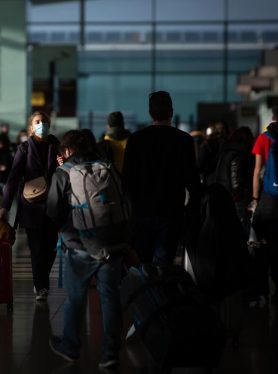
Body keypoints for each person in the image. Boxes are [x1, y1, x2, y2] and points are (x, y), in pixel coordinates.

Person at [46, 130, 123, 368]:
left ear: (68, 150)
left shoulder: (63, 172)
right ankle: (110, 354)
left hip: (79, 245)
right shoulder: (107, 167)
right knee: (110, 297)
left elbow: (52, 210)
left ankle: (71, 346)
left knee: (76, 297)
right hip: (111, 241)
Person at [122, 91, 201, 265]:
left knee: (143, 264)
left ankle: (146, 292)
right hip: (171, 212)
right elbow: (192, 180)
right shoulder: (184, 140)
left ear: (150, 113)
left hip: (142, 211)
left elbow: (126, 179)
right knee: (164, 264)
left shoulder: (136, 140)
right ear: (171, 112)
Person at [0, 110, 60, 302]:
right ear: (31, 127)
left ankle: (42, 281)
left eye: (44, 121)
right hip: (31, 205)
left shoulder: (56, 146)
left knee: (50, 248)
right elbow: (13, 178)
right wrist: (5, 206)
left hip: (53, 203)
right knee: (36, 248)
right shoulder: (24, 148)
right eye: (37, 122)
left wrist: (64, 163)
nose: (41, 124)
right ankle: (40, 285)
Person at [249, 100, 278, 304]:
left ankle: (277, 289)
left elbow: (257, 171)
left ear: (274, 117)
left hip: (272, 200)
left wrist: (255, 199)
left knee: (274, 248)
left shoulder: (265, 137)